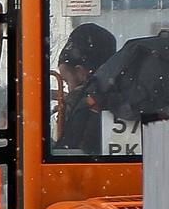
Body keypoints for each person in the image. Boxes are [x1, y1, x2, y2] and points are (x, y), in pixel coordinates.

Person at [50, 22, 118, 155]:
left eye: (65, 81)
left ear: (81, 72)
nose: (65, 90)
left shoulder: (87, 107)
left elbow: (69, 152)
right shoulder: (116, 98)